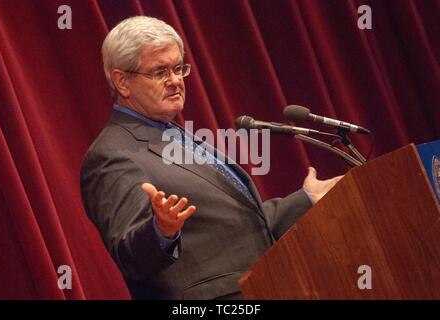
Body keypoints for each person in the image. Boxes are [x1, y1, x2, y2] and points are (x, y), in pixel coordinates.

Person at [80, 15, 342, 300]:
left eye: (179, 68)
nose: (175, 81)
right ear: (122, 82)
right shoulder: (111, 154)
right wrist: (160, 231)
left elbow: (238, 225)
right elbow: (130, 255)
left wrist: (305, 198)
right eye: (159, 72)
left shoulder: (174, 134)